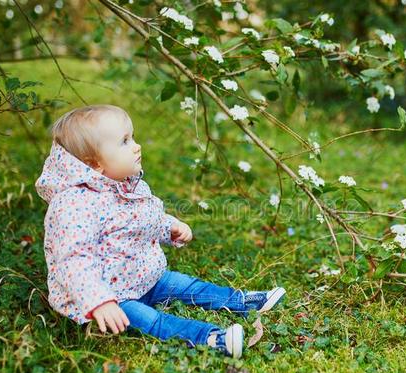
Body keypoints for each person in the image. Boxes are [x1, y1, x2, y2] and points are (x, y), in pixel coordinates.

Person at [35, 105, 285, 358]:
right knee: (152, 321)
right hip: (111, 298)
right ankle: (210, 338)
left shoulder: (125, 184)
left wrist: (169, 227)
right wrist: (99, 301)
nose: (136, 146)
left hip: (142, 277)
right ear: (94, 164)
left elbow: (142, 217)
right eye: (124, 142)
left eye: (131, 137)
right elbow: (74, 260)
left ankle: (241, 301)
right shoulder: (74, 205)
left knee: (187, 286)